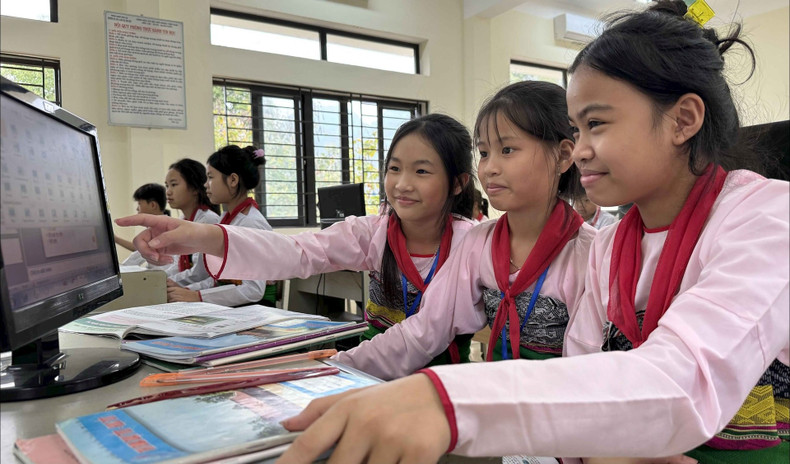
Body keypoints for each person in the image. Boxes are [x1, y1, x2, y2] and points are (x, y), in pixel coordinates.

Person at [271, 2, 789, 463]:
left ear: (683, 120)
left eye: (598, 124)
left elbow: (684, 379)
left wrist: (445, 401)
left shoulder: (766, 220)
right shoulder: (613, 243)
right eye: (576, 129)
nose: (580, 149)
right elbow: (584, 364)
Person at [117, 113, 478, 365]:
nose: (402, 184)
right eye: (394, 168)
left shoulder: (470, 244)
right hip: (369, 371)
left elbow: (421, 336)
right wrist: (204, 237)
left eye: (422, 171)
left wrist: (336, 363)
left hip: (434, 385)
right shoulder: (375, 230)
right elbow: (298, 251)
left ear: (458, 183)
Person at [326, 80, 594, 382]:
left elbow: (585, 372)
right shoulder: (480, 243)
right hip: (496, 406)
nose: (490, 168)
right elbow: (427, 329)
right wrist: (338, 365)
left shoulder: (590, 254)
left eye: (507, 149)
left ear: (563, 155)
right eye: (483, 152)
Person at [165, 145, 275, 307]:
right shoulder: (228, 219)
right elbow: (218, 279)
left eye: (210, 177)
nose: (206, 185)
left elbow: (253, 289)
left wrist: (197, 296)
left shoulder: (251, 223)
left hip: (255, 309)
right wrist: (189, 290)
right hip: (236, 307)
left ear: (232, 180)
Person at [163, 158, 221, 288]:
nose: (168, 191)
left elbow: (200, 273)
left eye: (174, 184)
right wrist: (159, 278)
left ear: (195, 188)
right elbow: (177, 265)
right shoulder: (183, 220)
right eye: (167, 186)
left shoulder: (208, 221)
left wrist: (164, 282)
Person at [116, 183, 172, 269]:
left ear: (153, 205)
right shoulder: (159, 228)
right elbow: (138, 251)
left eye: (139, 204)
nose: (137, 209)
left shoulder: (162, 231)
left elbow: (135, 257)